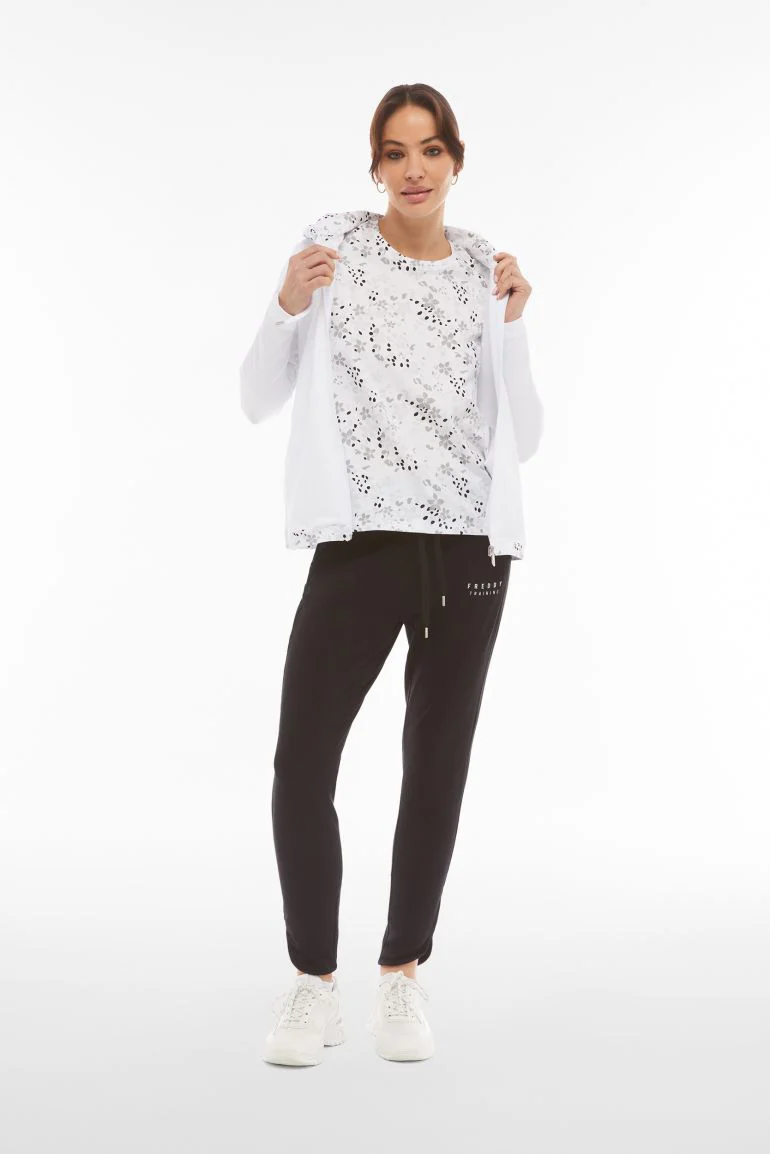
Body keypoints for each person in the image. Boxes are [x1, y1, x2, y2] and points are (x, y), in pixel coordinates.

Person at [239, 82, 544, 1065]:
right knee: (301, 763)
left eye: (431, 149)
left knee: (435, 762)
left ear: (455, 159)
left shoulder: (484, 267)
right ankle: (313, 983)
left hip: (467, 546)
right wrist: (285, 306)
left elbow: (522, 436)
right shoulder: (333, 245)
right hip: (361, 541)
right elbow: (256, 398)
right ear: (374, 166)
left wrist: (513, 327)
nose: (414, 169)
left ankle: (402, 974)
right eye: (395, 151)